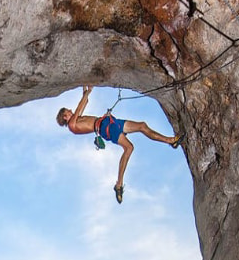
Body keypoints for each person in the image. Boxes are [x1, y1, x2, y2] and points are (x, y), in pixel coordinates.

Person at [56, 86, 184, 204]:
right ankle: (119, 184)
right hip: (106, 128)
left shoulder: (77, 119)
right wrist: (87, 92)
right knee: (129, 148)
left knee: (142, 126)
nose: (71, 111)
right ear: (65, 117)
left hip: (109, 121)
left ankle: (171, 141)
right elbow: (79, 107)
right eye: (68, 112)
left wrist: (86, 90)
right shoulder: (72, 126)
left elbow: (84, 102)